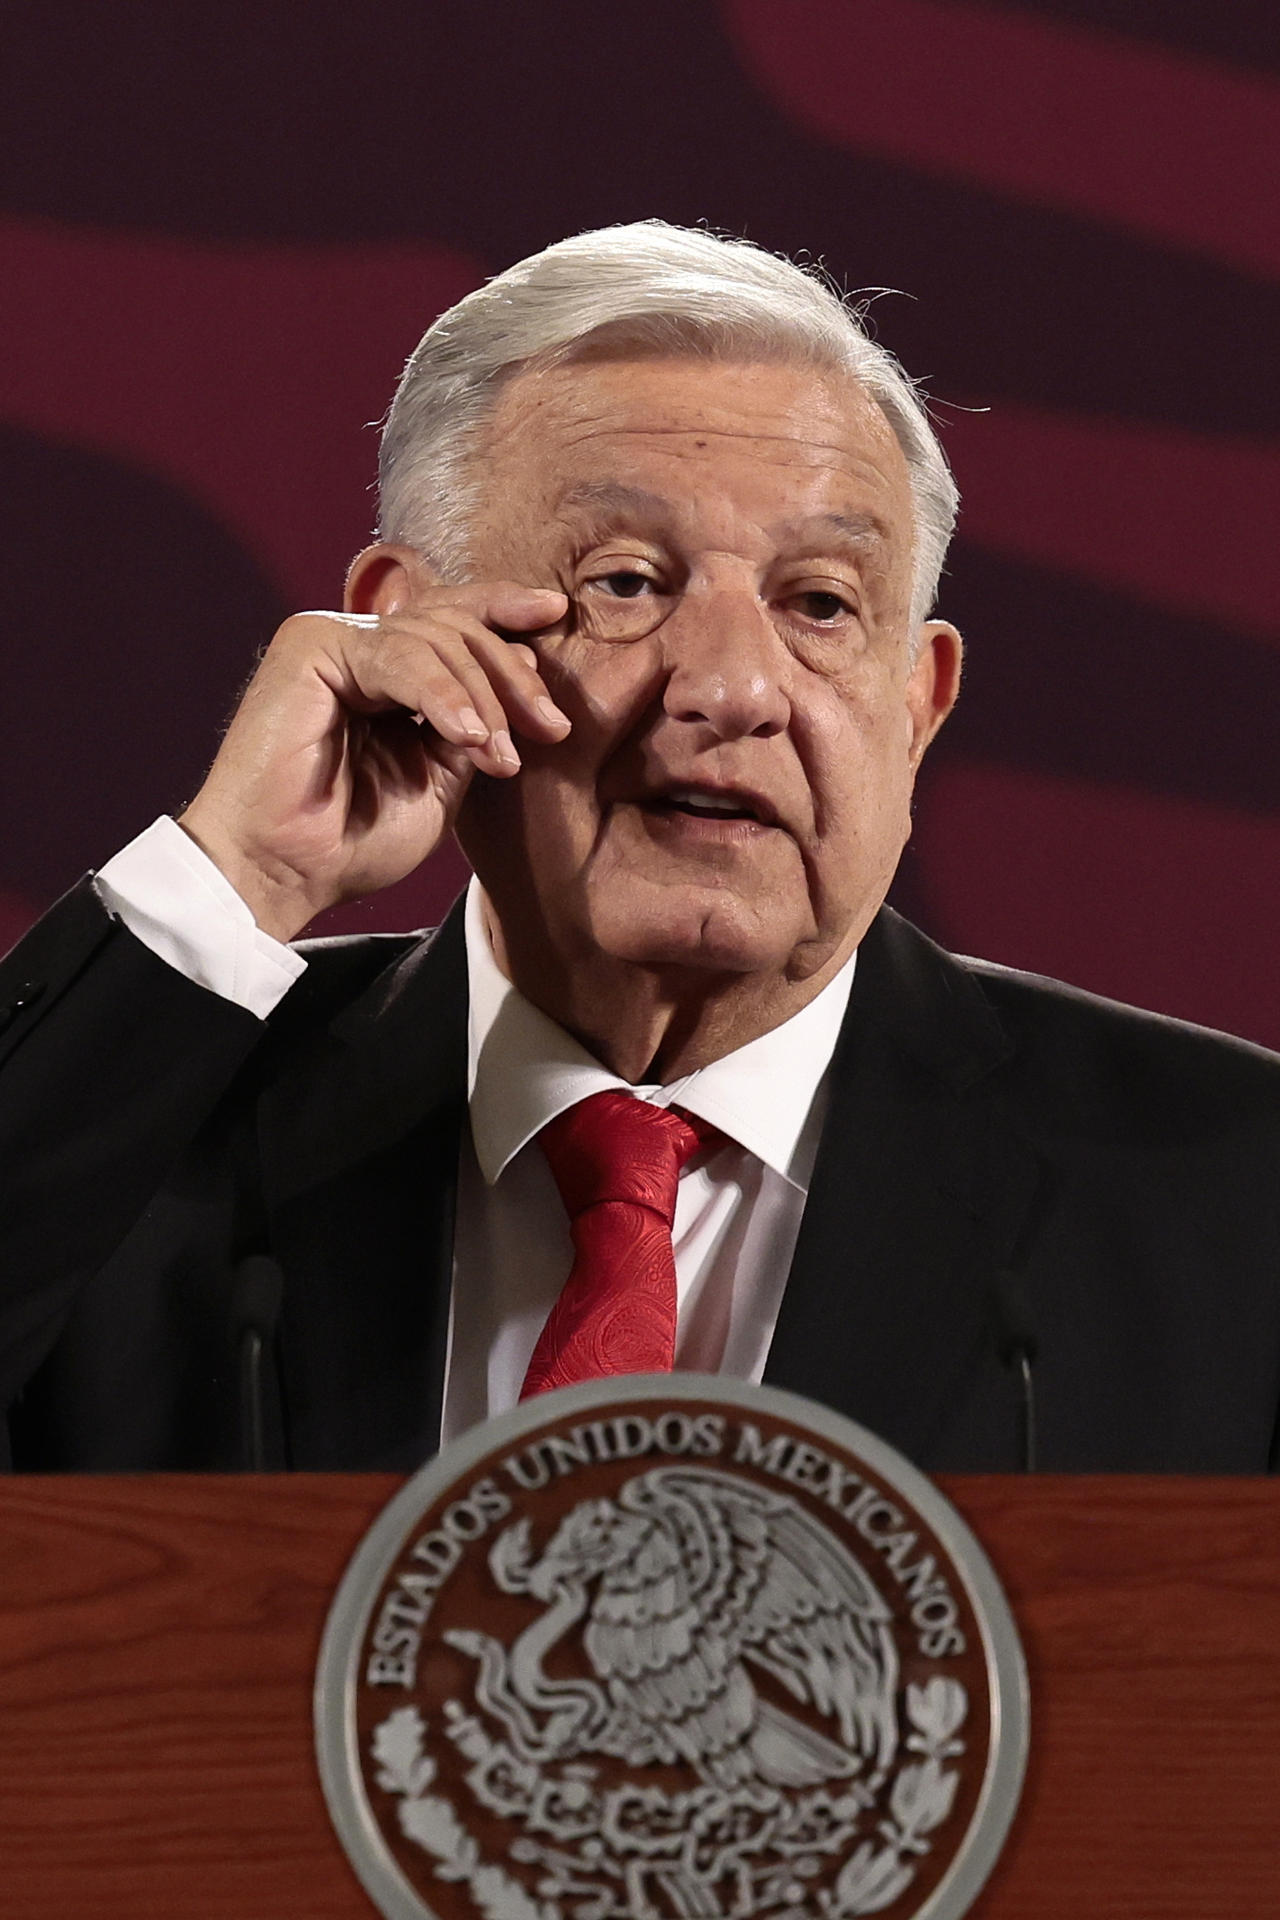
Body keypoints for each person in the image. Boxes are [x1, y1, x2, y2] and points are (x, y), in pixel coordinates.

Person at [2, 223, 1277, 1475]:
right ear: (406, 633)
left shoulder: (1234, 1200)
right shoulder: (146, 1130)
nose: (731, 687)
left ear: (915, 705)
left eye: (820, 604)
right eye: (625, 582)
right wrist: (241, 876)